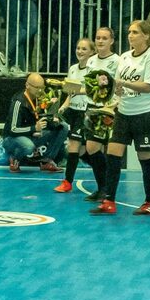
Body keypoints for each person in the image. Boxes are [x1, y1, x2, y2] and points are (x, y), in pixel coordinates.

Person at [90, 20, 150, 216]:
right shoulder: (124, 57)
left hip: (146, 113)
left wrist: (123, 83)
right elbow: (118, 85)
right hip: (124, 112)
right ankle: (109, 200)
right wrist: (116, 90)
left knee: (144, 157)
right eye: (129, 32)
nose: (130, 35)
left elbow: (148, 86)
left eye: (135, 32)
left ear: (146, 36)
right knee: (113, 154)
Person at [79, 26, 122, 202]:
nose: (100, 41)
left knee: (107, 149)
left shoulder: (118, 60)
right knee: (91, 148)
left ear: (112, 41)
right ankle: (102, 187)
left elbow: (119, 85)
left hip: (110, 109)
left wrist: (115, 104)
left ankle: (107, 188)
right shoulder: (91, 61)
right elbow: (89, 86)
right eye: (98, 38)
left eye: (104, 38)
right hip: (93, 107)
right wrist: (76, 90)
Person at [2, 73, 66, 172]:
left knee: (63, 127)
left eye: (42, 88)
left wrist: (52, 118)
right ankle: (14, 159)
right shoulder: (18, 102)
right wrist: (34, 129)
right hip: (12, 138)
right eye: (37, 88)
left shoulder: (40, 99)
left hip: (32, 134)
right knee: (29, 146)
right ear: (27, 85)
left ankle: (46, 161)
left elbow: (41, 120)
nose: (40, 91)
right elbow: (12, 129)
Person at [54, 38, 95, 193]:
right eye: (78, 48)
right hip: (73, 111)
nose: (80, 51)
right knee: (82, 150)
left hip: (85, 111)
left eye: (84, 49)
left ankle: (67, 182)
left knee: (73, 145)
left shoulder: (93, 70)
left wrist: (80, 91)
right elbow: (71, 93)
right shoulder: (72, 69)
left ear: (92, 52)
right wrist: (63, 106)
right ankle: (103, 170)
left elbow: (93, 91)